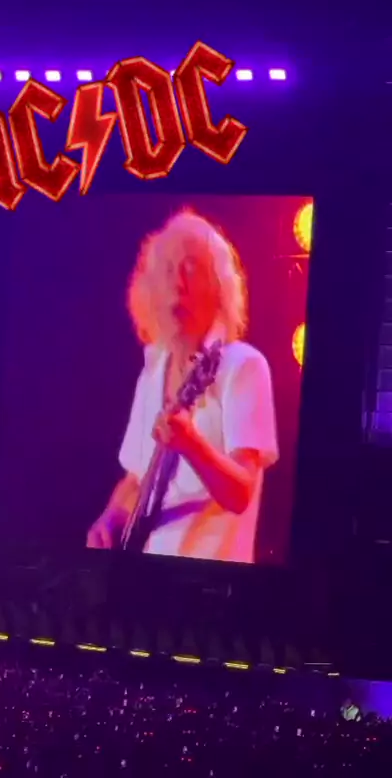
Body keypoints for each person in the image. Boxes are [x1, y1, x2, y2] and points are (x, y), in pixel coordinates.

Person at [87, 208, 278, 563]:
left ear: (218, 287)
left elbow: (241, 493)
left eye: (191, 267)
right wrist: (109, 518)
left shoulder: (243, 366)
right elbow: (135, 479)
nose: (178, 283)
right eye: (169, 271)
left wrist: (191, 443)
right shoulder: (152, 371)